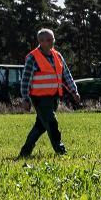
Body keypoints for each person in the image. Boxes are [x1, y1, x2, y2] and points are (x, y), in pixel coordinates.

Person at [18, 28, 82, 158]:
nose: (51, 42)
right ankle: (61, 152)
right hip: (40, 98)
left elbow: (66, 75)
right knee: (52, 123)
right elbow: (25, 80)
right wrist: (25, 98)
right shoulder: (32, 58)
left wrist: (74, 91)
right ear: (40, 41)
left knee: (40, 126)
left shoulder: (57, 55)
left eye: (52, 39)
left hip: (54, 97)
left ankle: (25, 153)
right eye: (48, 40)